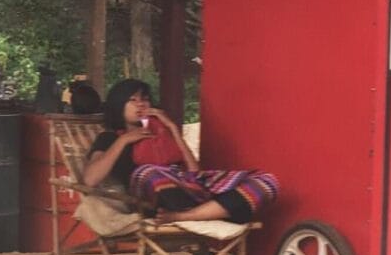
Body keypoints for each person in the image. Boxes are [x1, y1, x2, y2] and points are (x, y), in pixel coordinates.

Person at [78, 78, 277, 225]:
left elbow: (194, 173)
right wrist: (123, 141)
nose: (141, 104)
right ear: (118, 105)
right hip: (152, 197)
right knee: (148, 172)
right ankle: (222, 209)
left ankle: (186, 216)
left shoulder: (161, 134)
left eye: (145, 99)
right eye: (133, 100)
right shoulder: (110, 138)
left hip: (188, 188)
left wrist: (172, 129)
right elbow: (90, 180)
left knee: (266, 181)